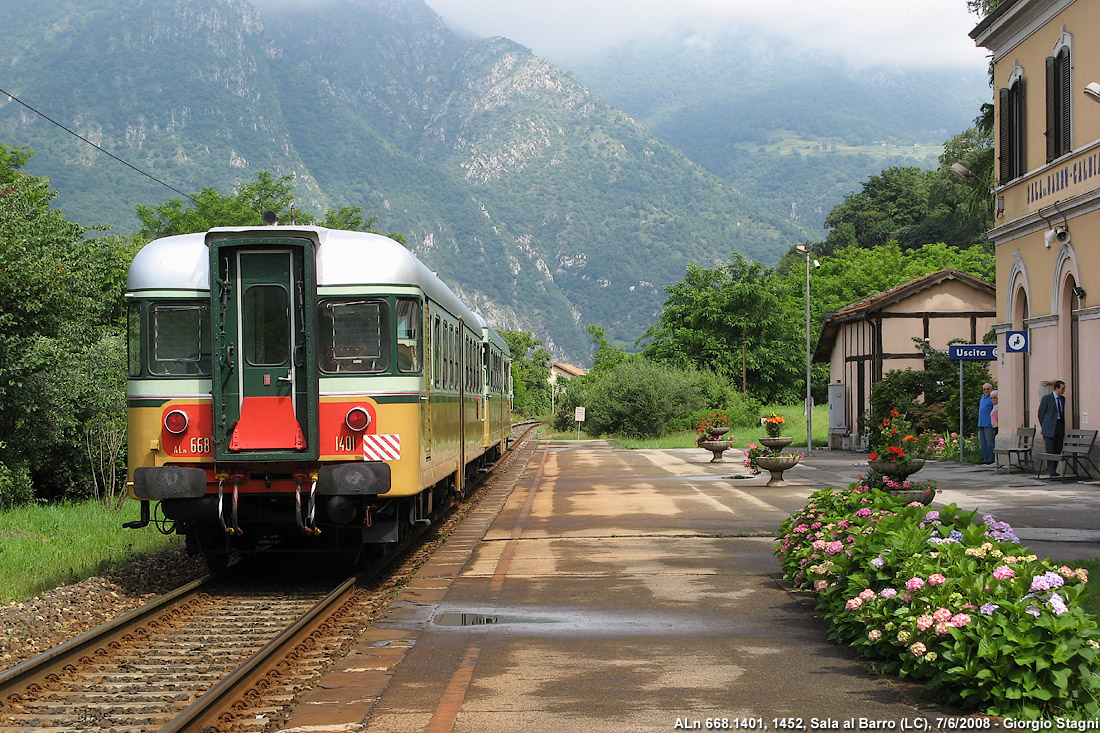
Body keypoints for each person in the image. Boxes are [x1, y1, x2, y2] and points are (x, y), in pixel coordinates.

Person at [1037, 380, 1067, 477]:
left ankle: (1054, 468)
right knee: (1050, 449)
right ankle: (1050, 470)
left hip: (1059, 425)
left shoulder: (1062, 399)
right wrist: (1045, 425)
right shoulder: (1047, 398)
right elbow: (1041, 413)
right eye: (1062, 388)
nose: (1063, 390)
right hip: (1049, 427)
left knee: (1058, 448)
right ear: (1056, 388)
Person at [977, 383, 995, 464]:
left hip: (988, 423)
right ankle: (985, 458)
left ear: (991, 389)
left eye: (988, 389)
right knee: (983, 442)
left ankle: (991, 458)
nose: (986, 391)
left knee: (989, 441)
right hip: (981, 423)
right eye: (984, 389)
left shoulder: (992, 398)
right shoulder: (982, 397)